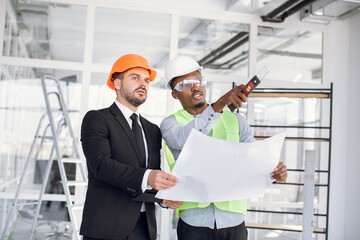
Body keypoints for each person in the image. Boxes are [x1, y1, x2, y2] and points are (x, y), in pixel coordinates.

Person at [160, 56, 288, 240]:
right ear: (174, 93)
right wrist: (219, 105)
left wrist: (274, 173)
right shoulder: (171, 124)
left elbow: (254, 161)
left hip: (233, 223)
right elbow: (182, 140)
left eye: (198, 80)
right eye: (185, 84)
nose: (196, 87)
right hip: (194, 223)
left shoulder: (236, 121)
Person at [80, 54, 179, 240]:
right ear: (117, 83)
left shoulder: (152, 130)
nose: (143, 84)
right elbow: (101, 166)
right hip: (106, 228)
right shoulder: (97, 119)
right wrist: (148, 176)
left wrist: (163, 196)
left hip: (144, 229)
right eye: (135, 77)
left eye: (146, 80)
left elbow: (147, 179)